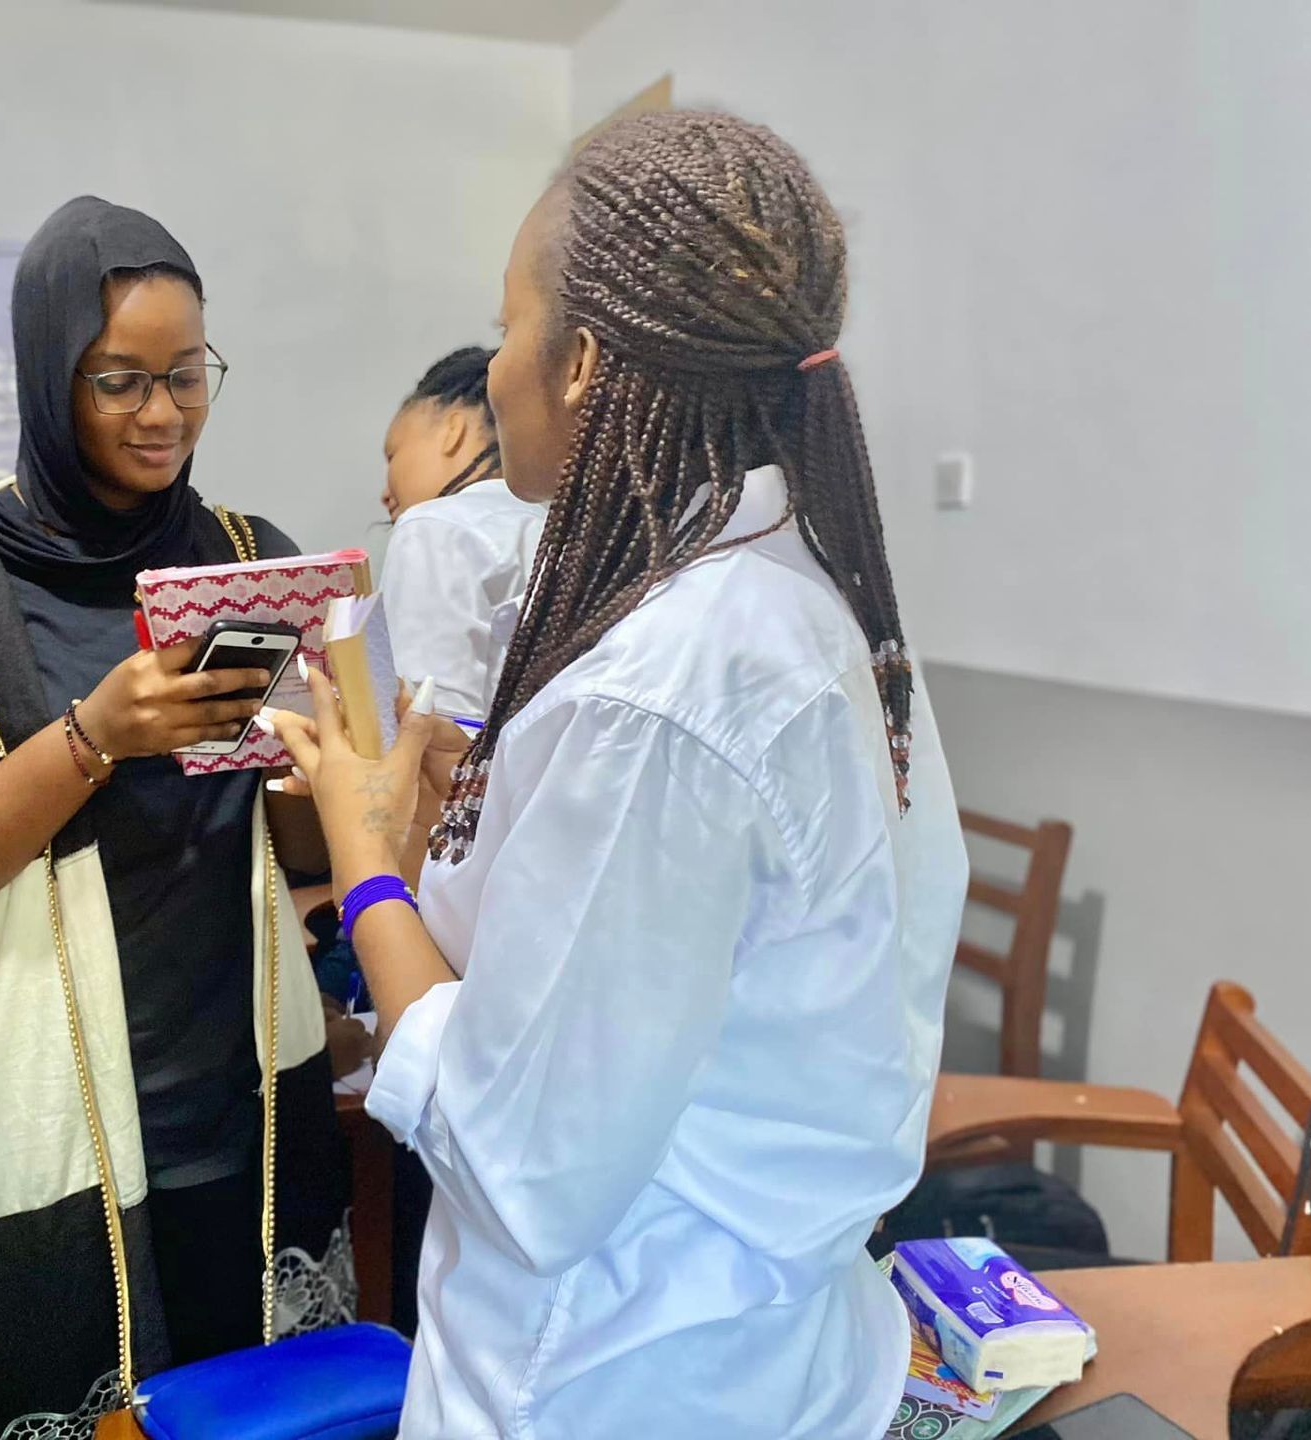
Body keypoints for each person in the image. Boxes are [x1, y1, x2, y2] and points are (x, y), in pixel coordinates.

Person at [270, 110, 969, 1439]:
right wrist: (449, 831)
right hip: (768, 1348)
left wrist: (365, 873)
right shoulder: (783, 591)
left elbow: (520, 1157)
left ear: (582, 361)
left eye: (509, 327)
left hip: (621, 1372)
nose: (495, 371)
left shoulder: (671, 683)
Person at [0, 196, 349, 1439]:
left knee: (251, 1407)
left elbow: (295, 853)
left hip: (236, 1096)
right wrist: (91, 740)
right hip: (30, 1123)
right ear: (46, 374)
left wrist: (324, 773)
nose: (162, 413)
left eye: (187, 375)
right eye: (120, 381)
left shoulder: (246, 561)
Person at [380, 345, 544, 725]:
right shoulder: (557, 528)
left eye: (392, 455)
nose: (385, 494)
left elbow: (430, 721)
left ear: (453, 430)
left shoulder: (436, 528)